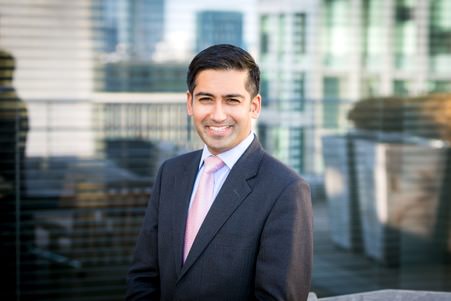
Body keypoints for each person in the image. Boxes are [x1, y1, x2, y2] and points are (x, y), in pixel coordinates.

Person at [126, 44, 313, 301]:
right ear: (190, 103)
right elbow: (144, 276)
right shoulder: (171, 173)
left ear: (254, 106)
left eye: (232, 100)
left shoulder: (285, 189)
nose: (217, 114)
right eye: (206, 99)